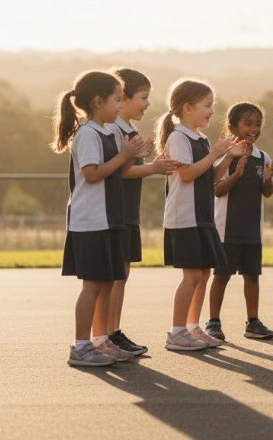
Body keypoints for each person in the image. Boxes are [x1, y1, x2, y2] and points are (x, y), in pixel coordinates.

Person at [53, 70, 144, 366]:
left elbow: (117, 171)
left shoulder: (106, 131)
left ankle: (101, 340)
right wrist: (124, 155)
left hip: (109, 218)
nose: (120, 106)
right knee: (92, 285)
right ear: (97, 101)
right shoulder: (87, 133)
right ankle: (80, 346)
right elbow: (92, 175)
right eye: (116, 100)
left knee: (107, 283)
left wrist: (133, 154)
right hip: (90, 220)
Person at [157, 78, 239, 351]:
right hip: (185, 218)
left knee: (203, 274)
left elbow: (210, 176)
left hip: (203, 217)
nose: (212, 111)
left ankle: (192, 327)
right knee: (191, 276)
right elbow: (188, 174)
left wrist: (226, 157)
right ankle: (176, 332)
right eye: (207, 105)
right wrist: (215, 152)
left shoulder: (201, 138)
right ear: (187, 107)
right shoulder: (178, 137)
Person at [105, 68, 178, 356]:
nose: (148, 104)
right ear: (122, 99)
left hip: (128, 213)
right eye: (143, 98)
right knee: (113, 276)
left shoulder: (129, 130)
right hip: (114, 213)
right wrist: (152, 167)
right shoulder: (111, 129)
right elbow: (120, 172)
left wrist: (145, 157)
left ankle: (113, 330)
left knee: (122, 274)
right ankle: (105, 334)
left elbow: (129, 168)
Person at [205, 102, 273, 341]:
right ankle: (213, 322)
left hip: (252, 229)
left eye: (258, 124)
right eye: (248, 124)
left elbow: (267, 192)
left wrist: (267, 179)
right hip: (226, 229)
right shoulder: (227, 157)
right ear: (232, 127)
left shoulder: (263, 157)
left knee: (252, 276)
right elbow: (217, 191)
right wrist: (236, 175)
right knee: (221, 276)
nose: (254, 129)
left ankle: (253, 322)